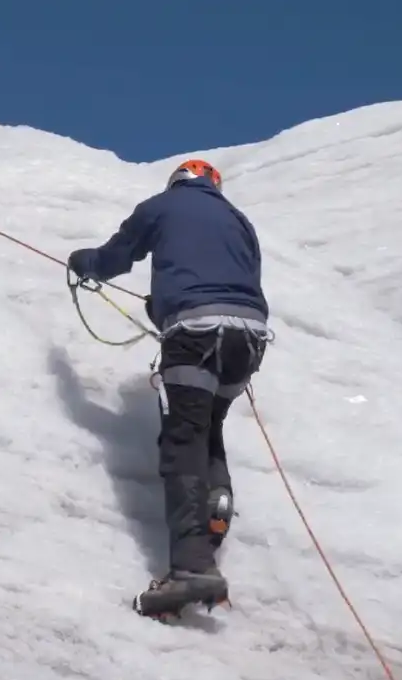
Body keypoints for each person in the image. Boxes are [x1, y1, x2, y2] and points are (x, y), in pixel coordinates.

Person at [66, 158, 271, 616]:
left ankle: (192, 568)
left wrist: (84, 263)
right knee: (208, 427)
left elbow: (116, 258)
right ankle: (215, 505)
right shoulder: (240, 220)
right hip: (249, 338)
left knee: (183, 441)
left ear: (177, 182)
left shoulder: (162, 206)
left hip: (195, 332)